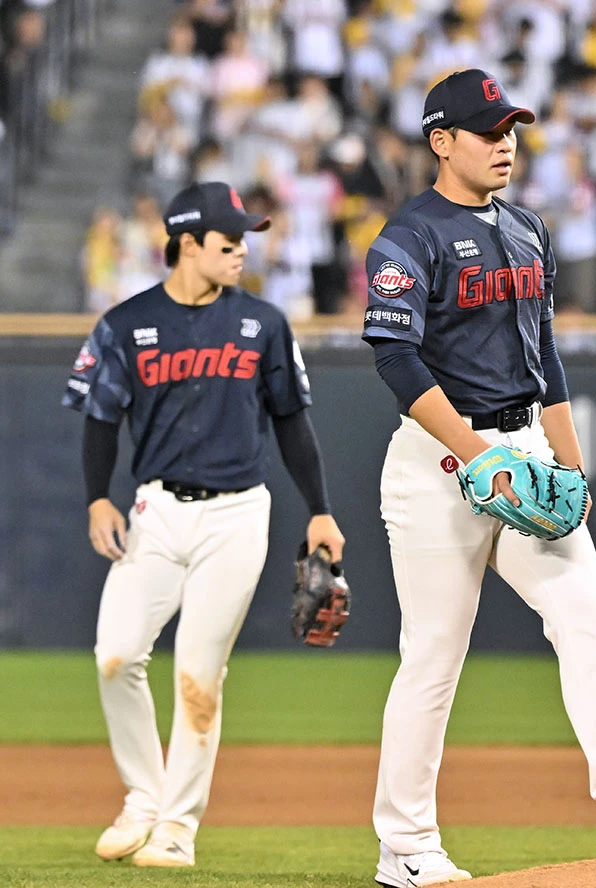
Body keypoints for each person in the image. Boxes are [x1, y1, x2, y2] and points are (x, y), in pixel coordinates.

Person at [362, 69, 596, 888]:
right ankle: (404, 847)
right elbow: (396, 359)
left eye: (510, 129)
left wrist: (571, 462)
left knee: (587, 617)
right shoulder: (407, 237)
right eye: (487, 131)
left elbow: (543, 354)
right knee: (433, 657)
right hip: (440, 458)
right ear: (441, 141)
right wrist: (476, 454)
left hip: (524, 448)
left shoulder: (527, 228)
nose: (505, 143)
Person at [62, 182, 346, 867]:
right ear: (187, 243)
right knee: (115, 656)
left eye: (245, 239)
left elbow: (292, 422)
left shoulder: (263, 323)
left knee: (199, 672)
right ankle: (144, 796)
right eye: (230, 240)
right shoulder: (126, 323)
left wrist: (320, 508)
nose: (243, 250)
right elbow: (100, 417)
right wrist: (98, 497)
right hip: (155, 511)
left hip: (236, 515)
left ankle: (177, 828)